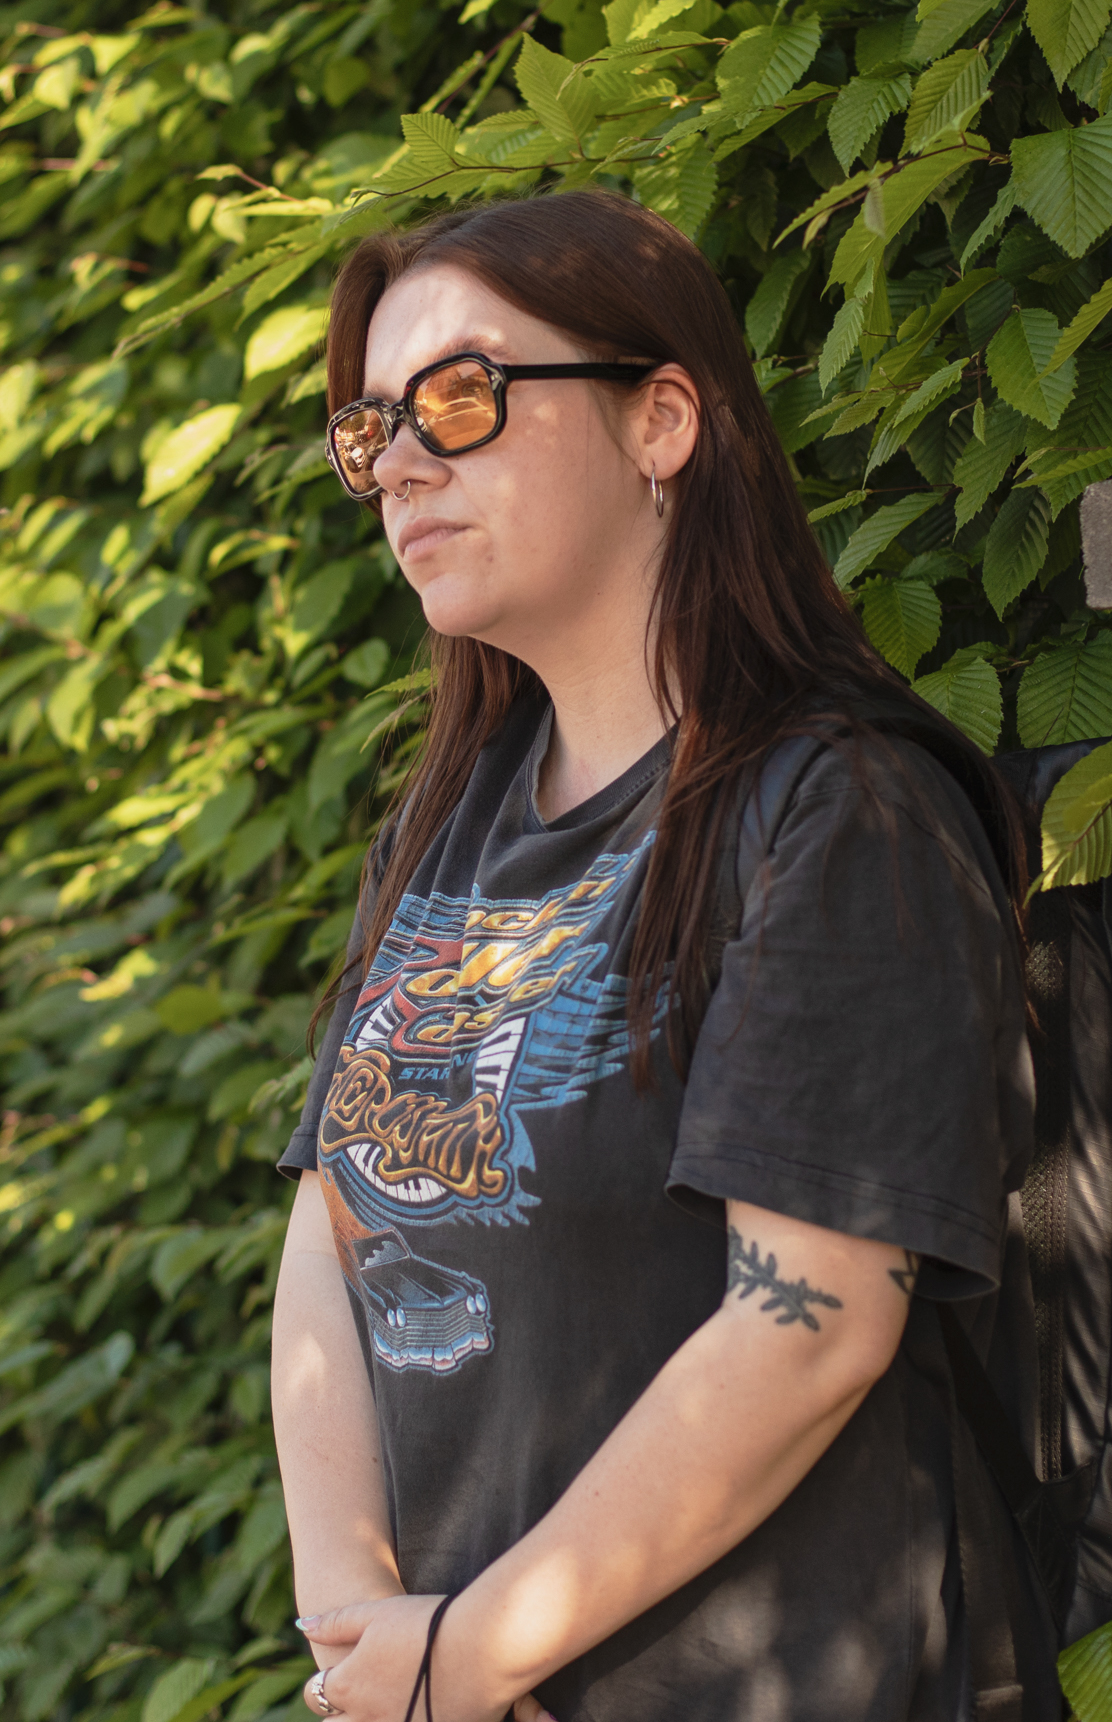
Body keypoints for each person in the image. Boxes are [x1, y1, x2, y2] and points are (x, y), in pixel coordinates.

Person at [270, 188, 1045, 1722]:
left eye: (460, 398)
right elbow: (331, 1228)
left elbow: (807, 1325)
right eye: (372, 430)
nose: (400, 465)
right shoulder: (447, 824)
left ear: (662, 420)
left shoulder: (835, 809)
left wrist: (472, 1655)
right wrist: (362, 1631)